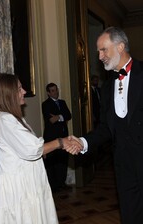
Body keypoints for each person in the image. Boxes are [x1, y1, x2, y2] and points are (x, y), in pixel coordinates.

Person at [68, 26, 143, 224]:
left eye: (103, 50)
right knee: (130, 216)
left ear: (120, 47)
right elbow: (105, 128)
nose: (100, 56)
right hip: (123, 165)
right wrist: (83, 142)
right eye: (99, 52)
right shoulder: (107, 86)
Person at [0, 73, 81, 223]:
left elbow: (27, 147)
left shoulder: (14, 118)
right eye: (19, 89)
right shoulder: (4, 119)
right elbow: (32, 149)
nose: (24, 91)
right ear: (8, 94)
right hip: (17, 190)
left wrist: (44, 150)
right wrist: (61, 142)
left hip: (27, 184)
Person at [42, 83, 72, 192]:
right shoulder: (46, 104)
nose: (56, 92)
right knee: (52, 162)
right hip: (52, 137)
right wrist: (61, 117)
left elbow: (68, 115)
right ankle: (53, 186)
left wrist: (58, 116)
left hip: (63, 135)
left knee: (63, 160)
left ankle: (62, 183)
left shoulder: (62, 102)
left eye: (56, 90)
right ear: (48, 93)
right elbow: (50, 120)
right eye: (53, 91)